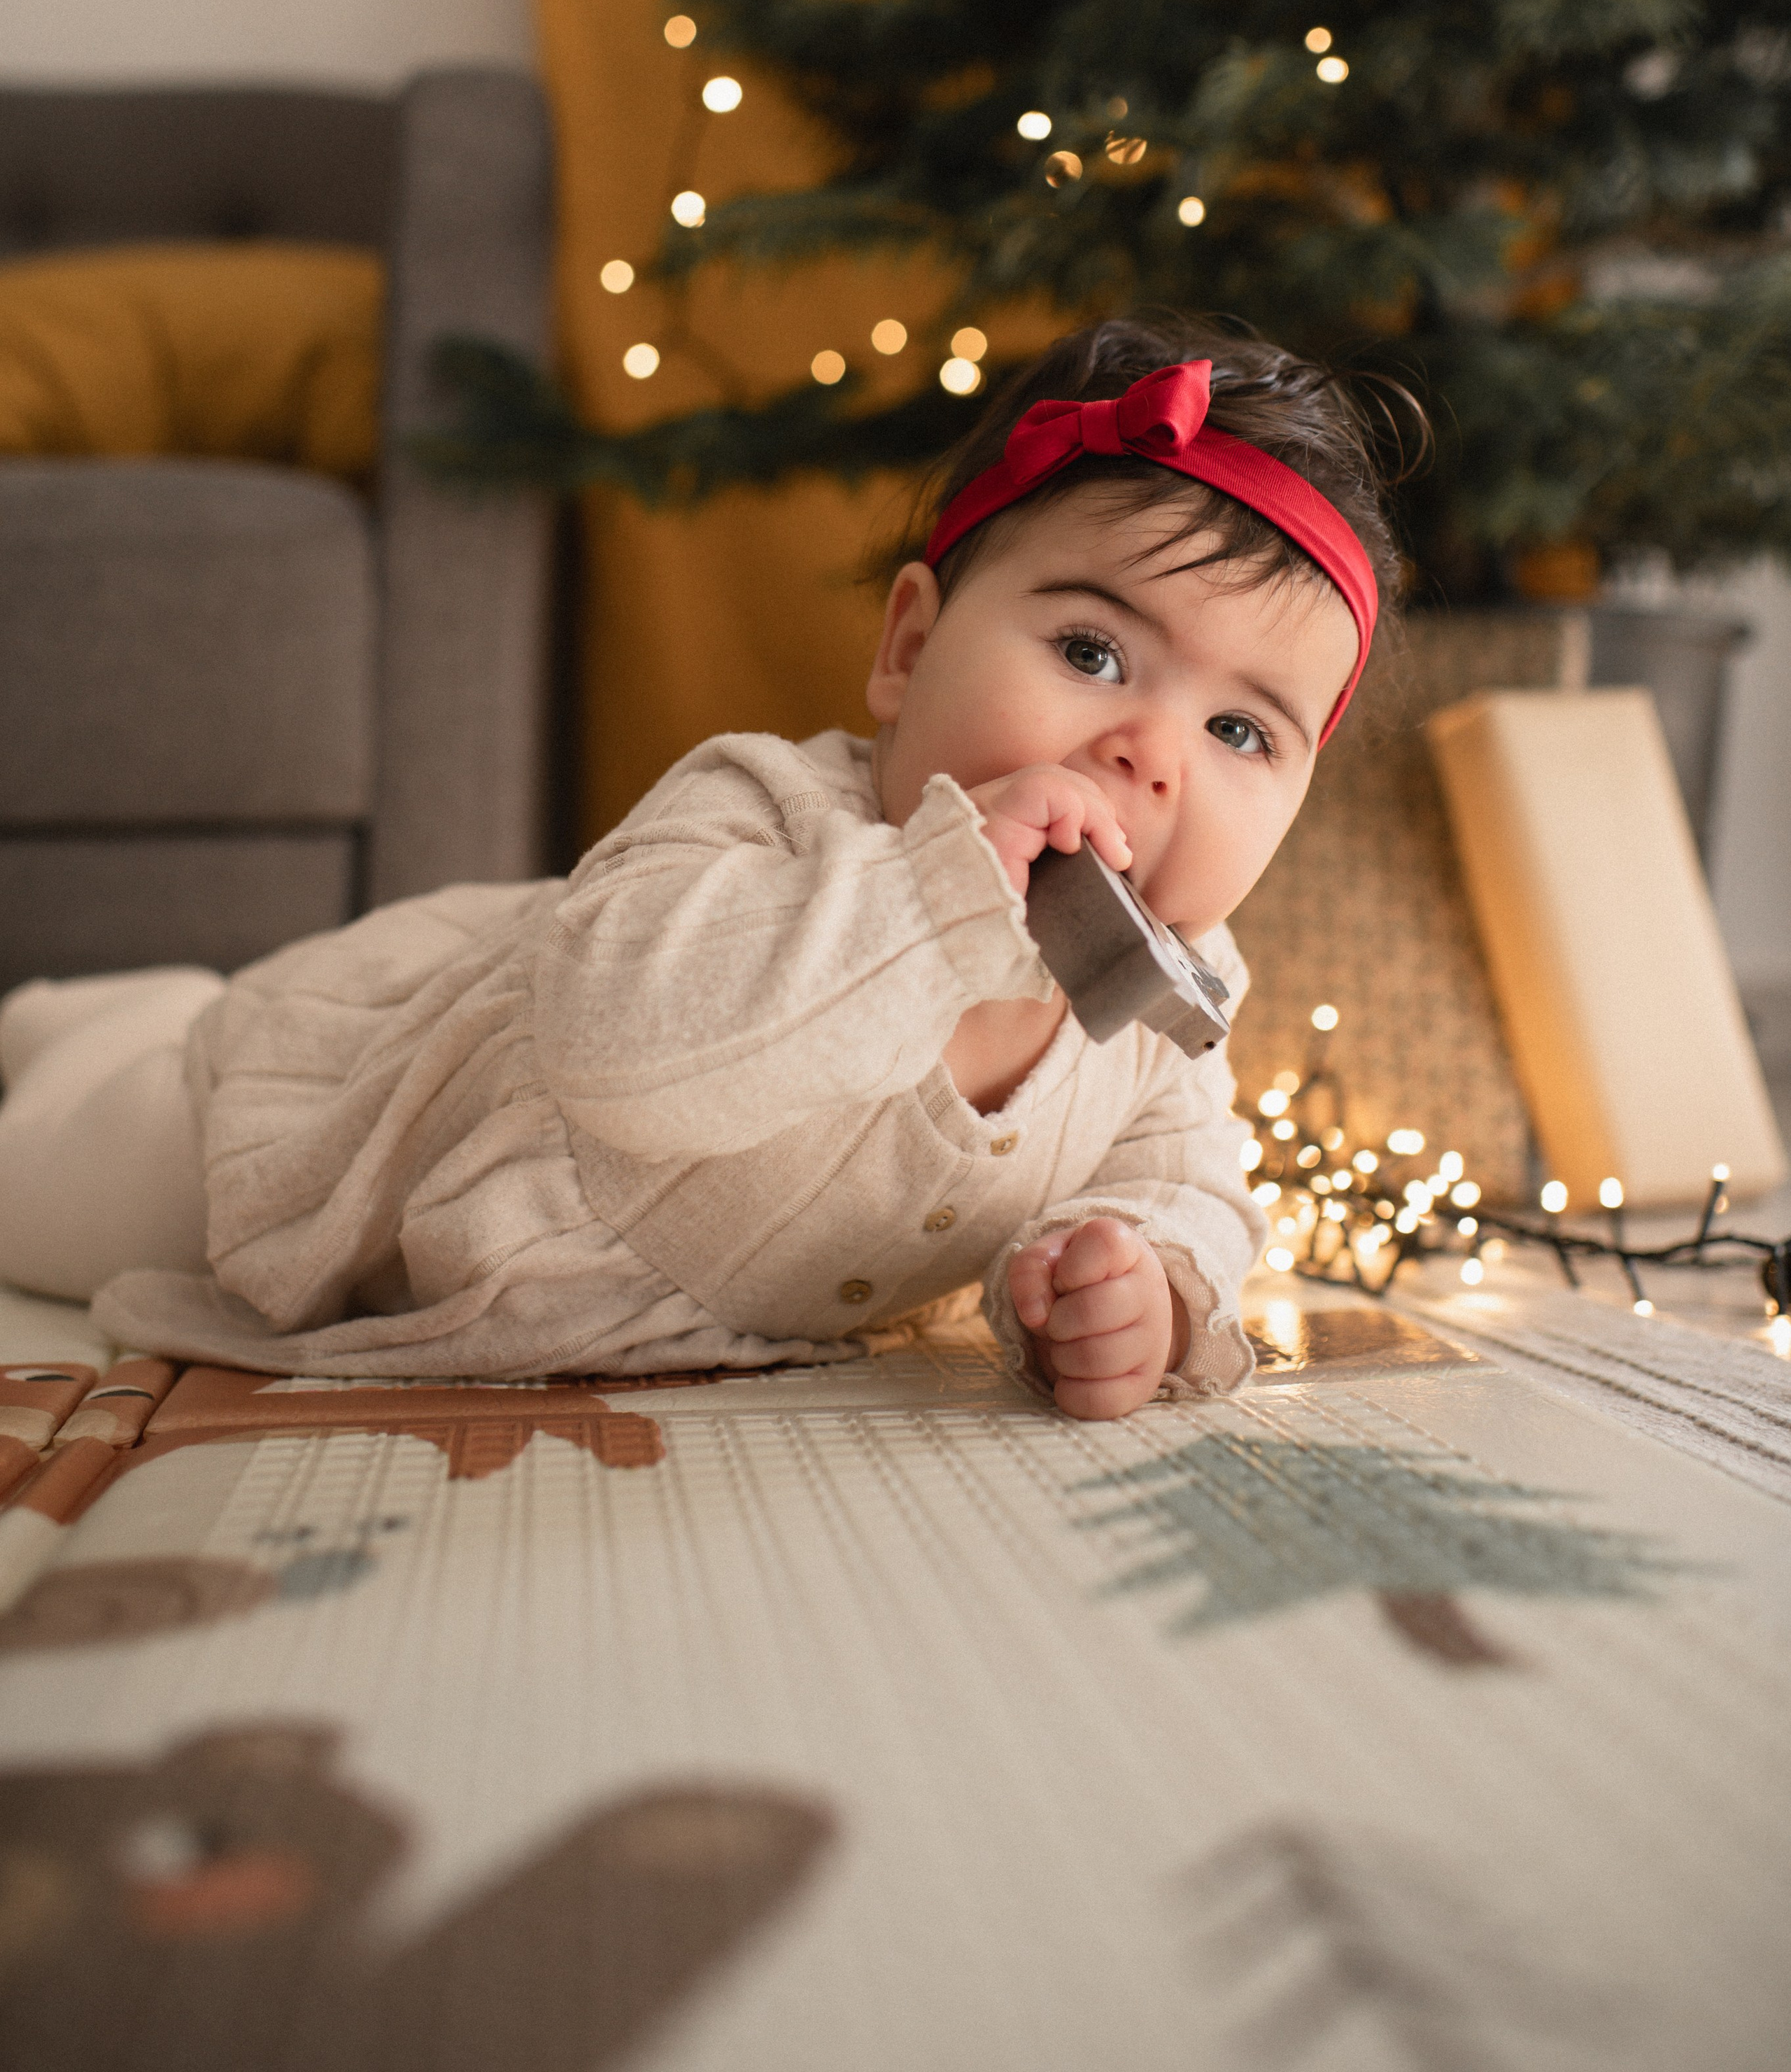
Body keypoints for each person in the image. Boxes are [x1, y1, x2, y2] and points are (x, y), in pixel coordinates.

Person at [0, 316, 1403, 1417]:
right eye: (1090, 652)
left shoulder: (1173, 995)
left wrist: (1142, 1272)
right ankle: (80, 1021)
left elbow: (1191, 1178)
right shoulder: (771, 813)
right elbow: (617, 1038)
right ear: (908, 648)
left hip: (655, 1302)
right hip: (354, 1132)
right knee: (44, 1192)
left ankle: (127, 1005)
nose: (1149, 752)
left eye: (1238, 730)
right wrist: (934, 898)